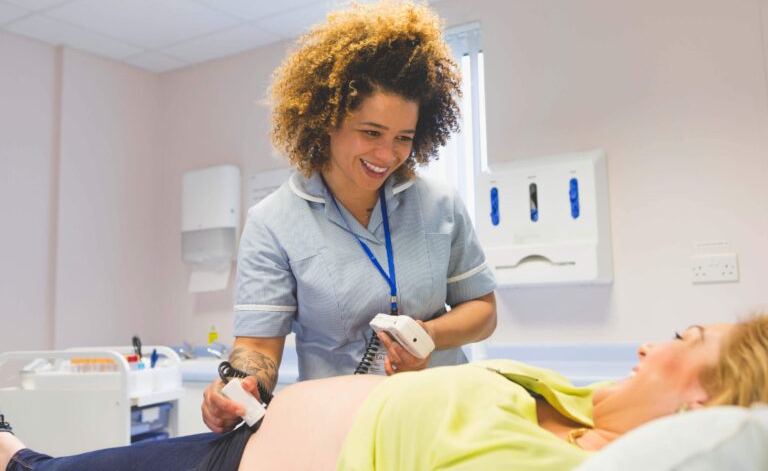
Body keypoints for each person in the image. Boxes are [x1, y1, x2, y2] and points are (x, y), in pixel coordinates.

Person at [202, 0, 498, 433]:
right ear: (328, 119)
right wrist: (240, 388)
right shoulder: (273, 222)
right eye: (371, 132)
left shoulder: (439, 204)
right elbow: (259, 347)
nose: (388, 153)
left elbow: (484, 310)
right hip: (342, 430)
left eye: (404, 137)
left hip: (444, 419)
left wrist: (430, 336)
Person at [2, 314, 767, 471]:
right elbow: (259, 336)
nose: (648, 343)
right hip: (245, 438)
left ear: (709, 402)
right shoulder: (573, 396)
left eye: (685, 338)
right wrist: (242, 381)